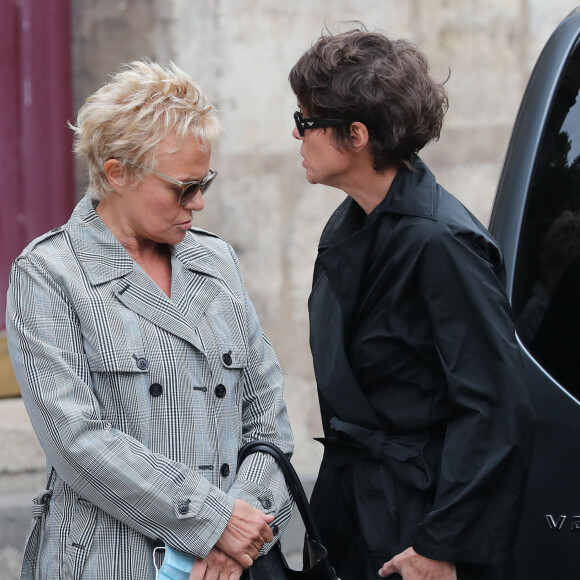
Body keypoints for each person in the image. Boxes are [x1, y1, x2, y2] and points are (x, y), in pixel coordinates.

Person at [6, 60, 293, 580]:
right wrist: (212, 521)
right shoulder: (50, 273)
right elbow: (77, 441)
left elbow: (268, 417)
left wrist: (241, 535)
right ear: (118, 173)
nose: (199, 203)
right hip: (108, 564)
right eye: (183, 188)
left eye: (204, 183)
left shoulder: (215, 261)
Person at [288, 28, 534, 580]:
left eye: (305, 122)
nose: (297, 137)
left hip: (418, 527)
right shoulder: (350, 224)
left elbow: (495, 407)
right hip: (353, 512)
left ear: (355, 134)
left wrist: (442, 545)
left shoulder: (441, 242)